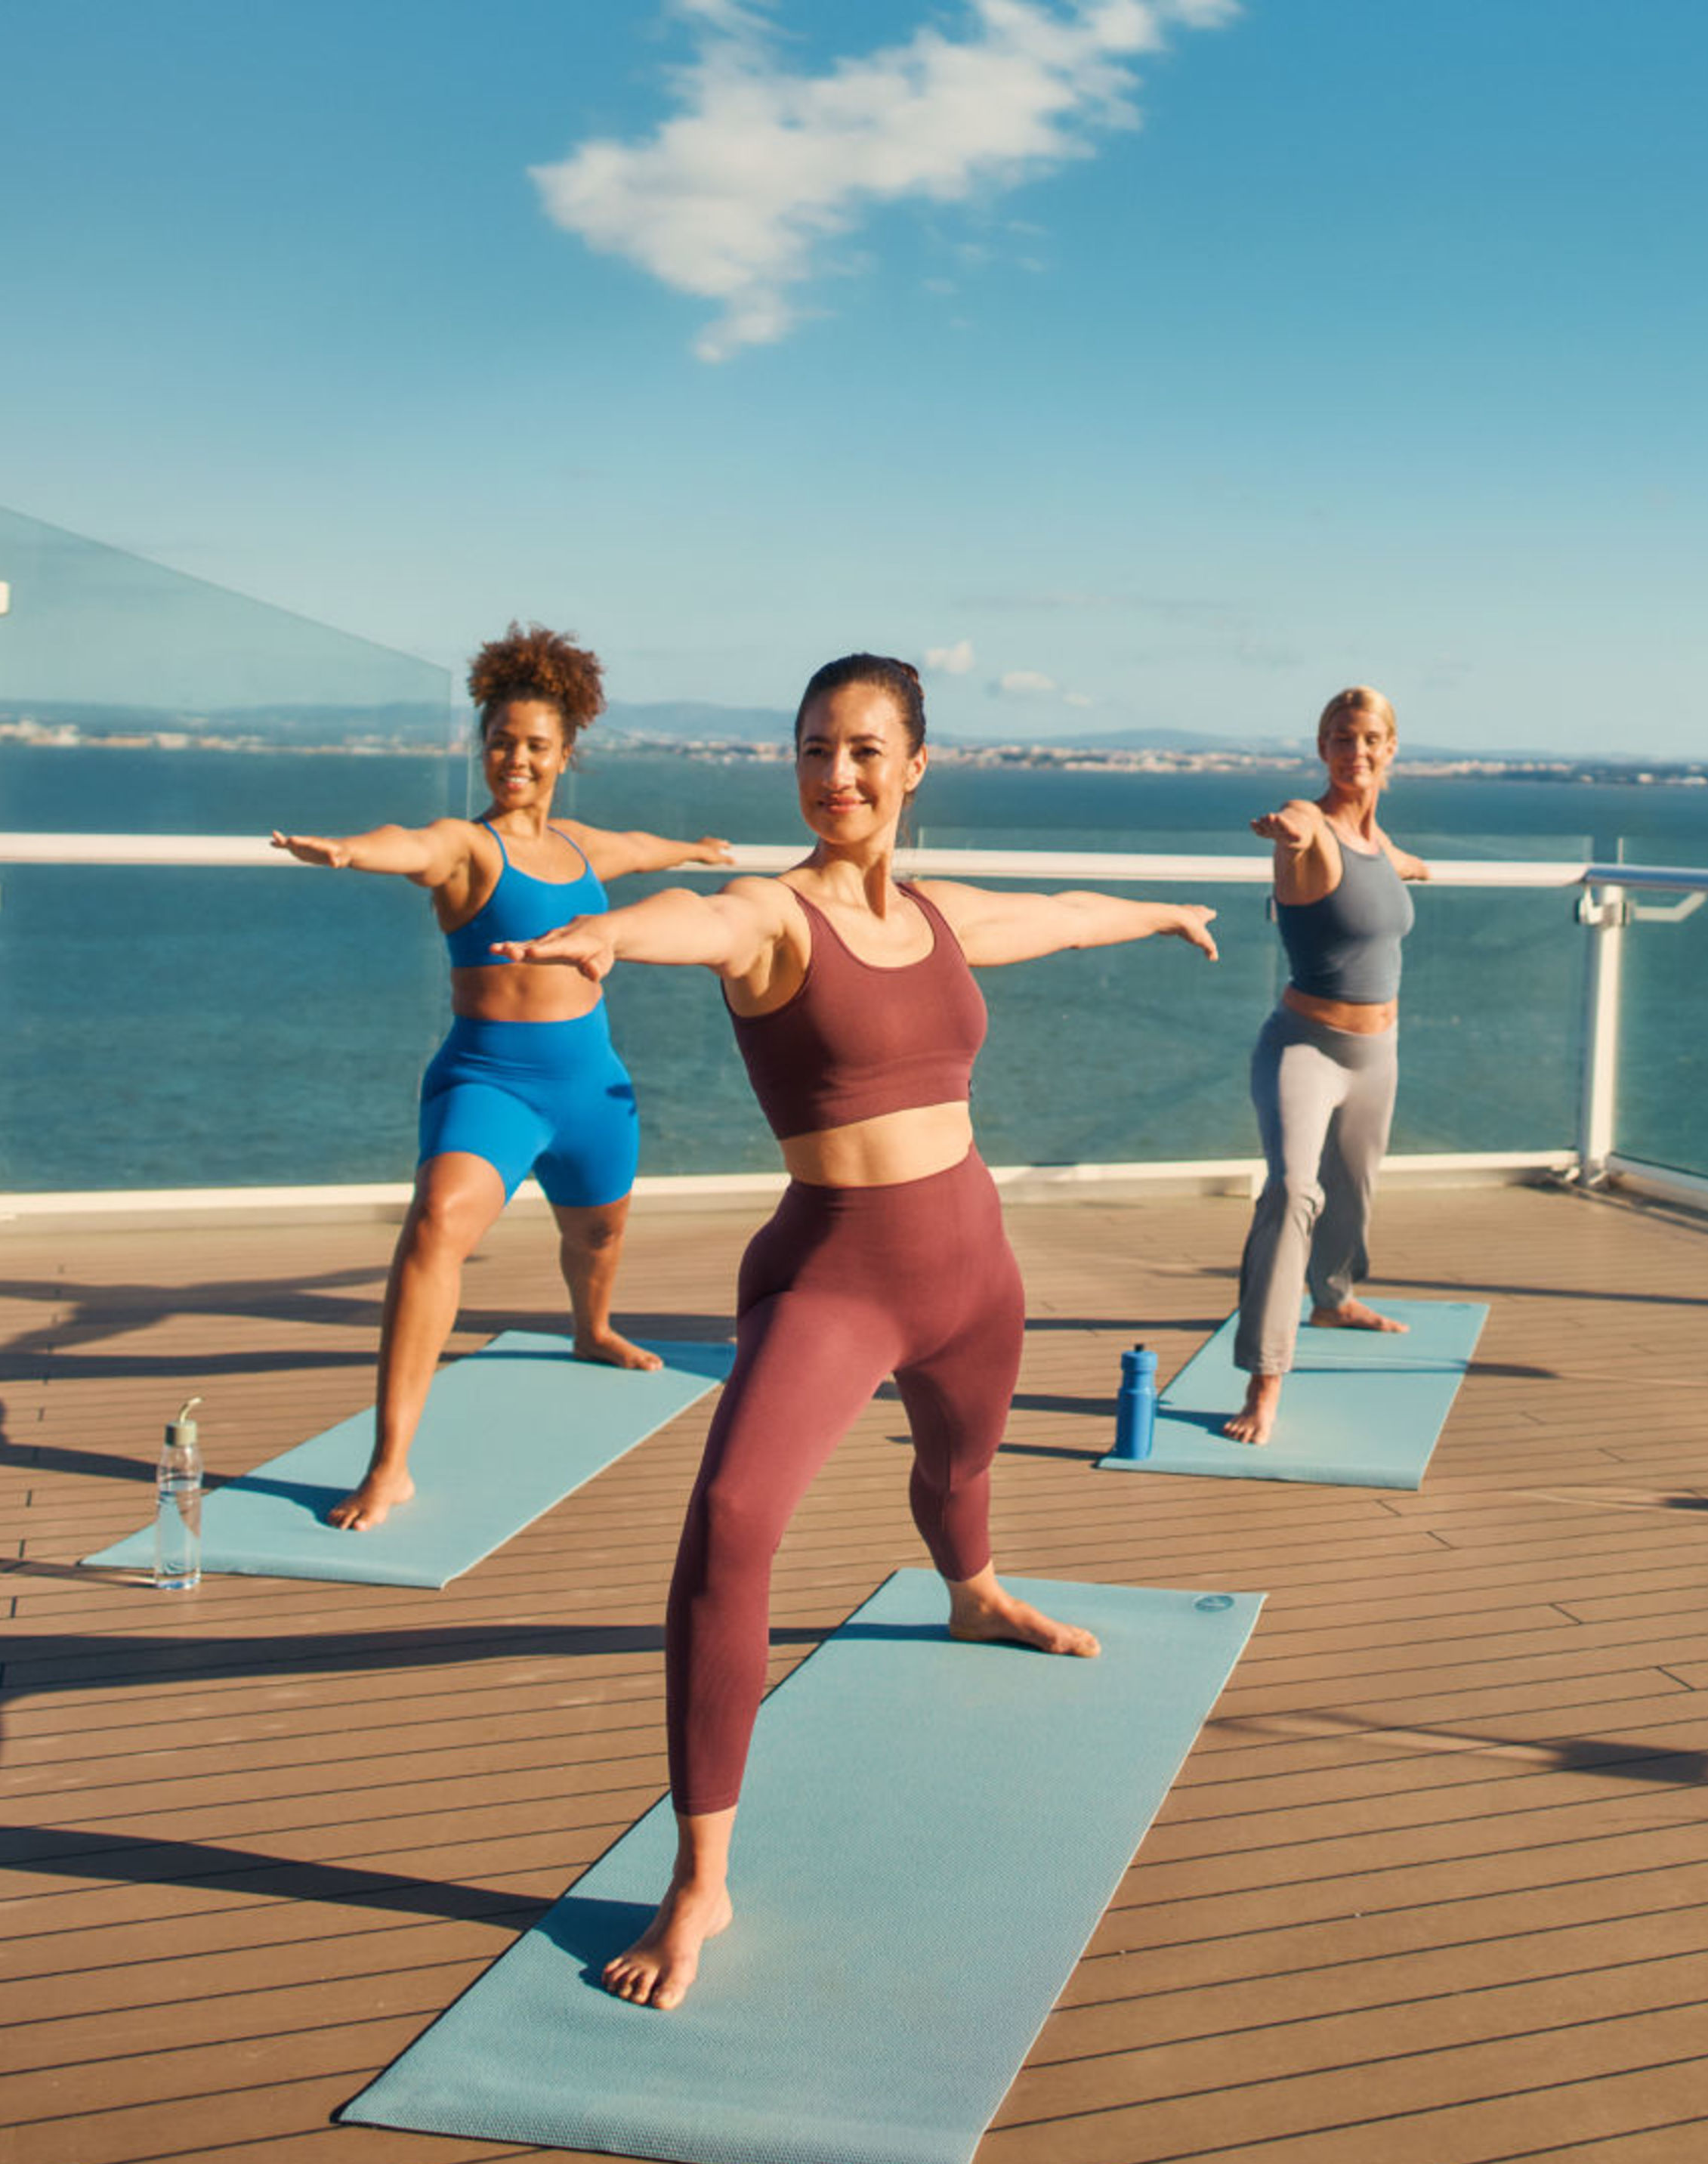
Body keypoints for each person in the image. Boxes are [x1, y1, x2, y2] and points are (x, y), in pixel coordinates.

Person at [494, 652, 1219, 2009]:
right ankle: (701, 1881)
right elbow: (698, 918)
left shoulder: (937, 913)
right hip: (836, 1276)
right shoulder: (777, 913)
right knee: (732, 1521)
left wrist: (1162, 910)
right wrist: (608, 937)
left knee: (960, 1467)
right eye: (817, 750)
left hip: (974, 1264)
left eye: (866, 751)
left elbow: (1059, 917)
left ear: (915, 766)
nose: (837, 775)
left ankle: (973, 1594)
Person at [269, 623, 730, 1529]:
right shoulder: (468, 847)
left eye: (535, 745)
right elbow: (411, 843)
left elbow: (639, 846)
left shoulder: (584, 846)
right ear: (482, 746)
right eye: (500, 742)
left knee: (598, 1236)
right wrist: (350, 850)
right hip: (490, 1084)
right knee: (436, 1227)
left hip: (591, 1085)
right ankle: (390, 1464)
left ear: (565, 754)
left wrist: (696, 849)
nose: (516, 759)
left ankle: (592, 1330)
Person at [1222, 684, 1432, 1447]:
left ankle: (1335, 1300)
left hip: (1379, 1054)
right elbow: (1305, 829)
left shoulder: (1379, 845)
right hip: (1305, 1048)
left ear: (1391, 748)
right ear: (1323, 748)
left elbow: (1394, 866)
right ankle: (1265, 1378)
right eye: (1343, 738)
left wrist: (1421, 869)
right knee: (1292, 1193)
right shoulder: (1308, 828)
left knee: (1353, 1193)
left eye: (1371, 739)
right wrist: (1287, 831)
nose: (1357, 752)